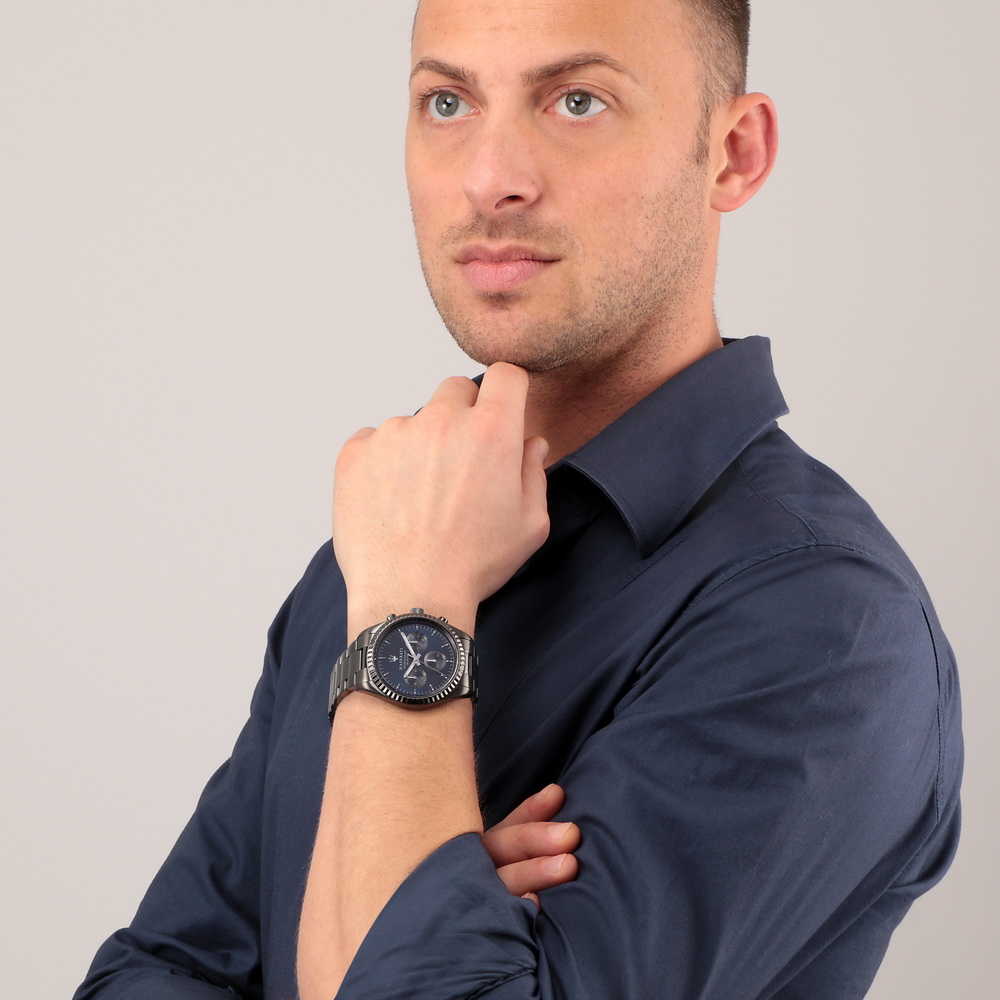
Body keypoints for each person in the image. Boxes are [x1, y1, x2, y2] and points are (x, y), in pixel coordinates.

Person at [74, 0, 963, 998]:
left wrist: (411, 623)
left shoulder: (824, 621)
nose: (489, 177)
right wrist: (426, 926)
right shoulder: (402, 530)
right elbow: (148, 974)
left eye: (576, 101)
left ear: (733, 154)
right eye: (447, 102)